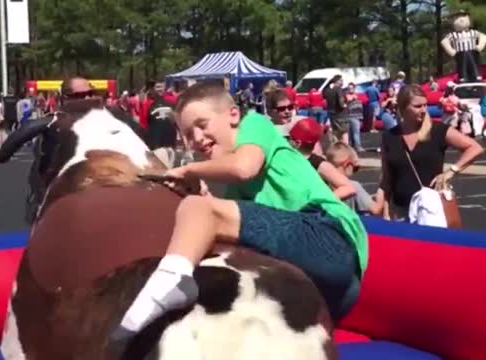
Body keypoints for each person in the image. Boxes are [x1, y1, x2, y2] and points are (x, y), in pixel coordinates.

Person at [112, 82, 367, 348]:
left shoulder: (255, 125)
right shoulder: (232, 187)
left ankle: (163, 290)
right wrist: (200, 194)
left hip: (328, 239)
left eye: (203, 124)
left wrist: (190, 172)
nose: (197, 139)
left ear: (233, 115)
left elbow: (244, 167)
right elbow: (228, 222)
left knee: (197, 209)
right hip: (321, 292)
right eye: (188, 133)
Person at [380, 85, 483, 220]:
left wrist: (451, 171)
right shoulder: (389, 137)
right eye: (417, 106)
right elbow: (387, 180)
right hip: (401, 212)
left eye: (425, 105)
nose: (423, 110)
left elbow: (475, 148)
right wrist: (386, 212)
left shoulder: (437, 131)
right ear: (403, 108)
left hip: (433, 211)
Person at [288, 117, 356, 200]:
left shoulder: (319, 164)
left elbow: (348, 188)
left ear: (297, 143)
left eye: (290, 138)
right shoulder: (289, 159)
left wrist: (320, 201)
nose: (287, 141)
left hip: (310, 211)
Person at [326, 142, 384, 216]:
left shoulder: (321, 183)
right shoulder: (353, 186)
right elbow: (376, 209)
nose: (355, 172)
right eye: (355, 168)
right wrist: (383, 185)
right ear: (347, 164)